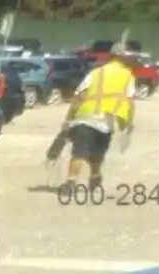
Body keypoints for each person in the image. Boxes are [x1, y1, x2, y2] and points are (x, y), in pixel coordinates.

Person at [59, 45, 135, 192]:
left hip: (84, 118)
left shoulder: (96, 73)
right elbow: (129, 103)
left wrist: (68, 119)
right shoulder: (127, 76)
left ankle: (71, 183)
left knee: (79, 153)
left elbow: (79, 97)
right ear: (123, 58)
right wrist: (127, 124)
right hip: (106, 123)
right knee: (96, 155)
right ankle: (94, 176)